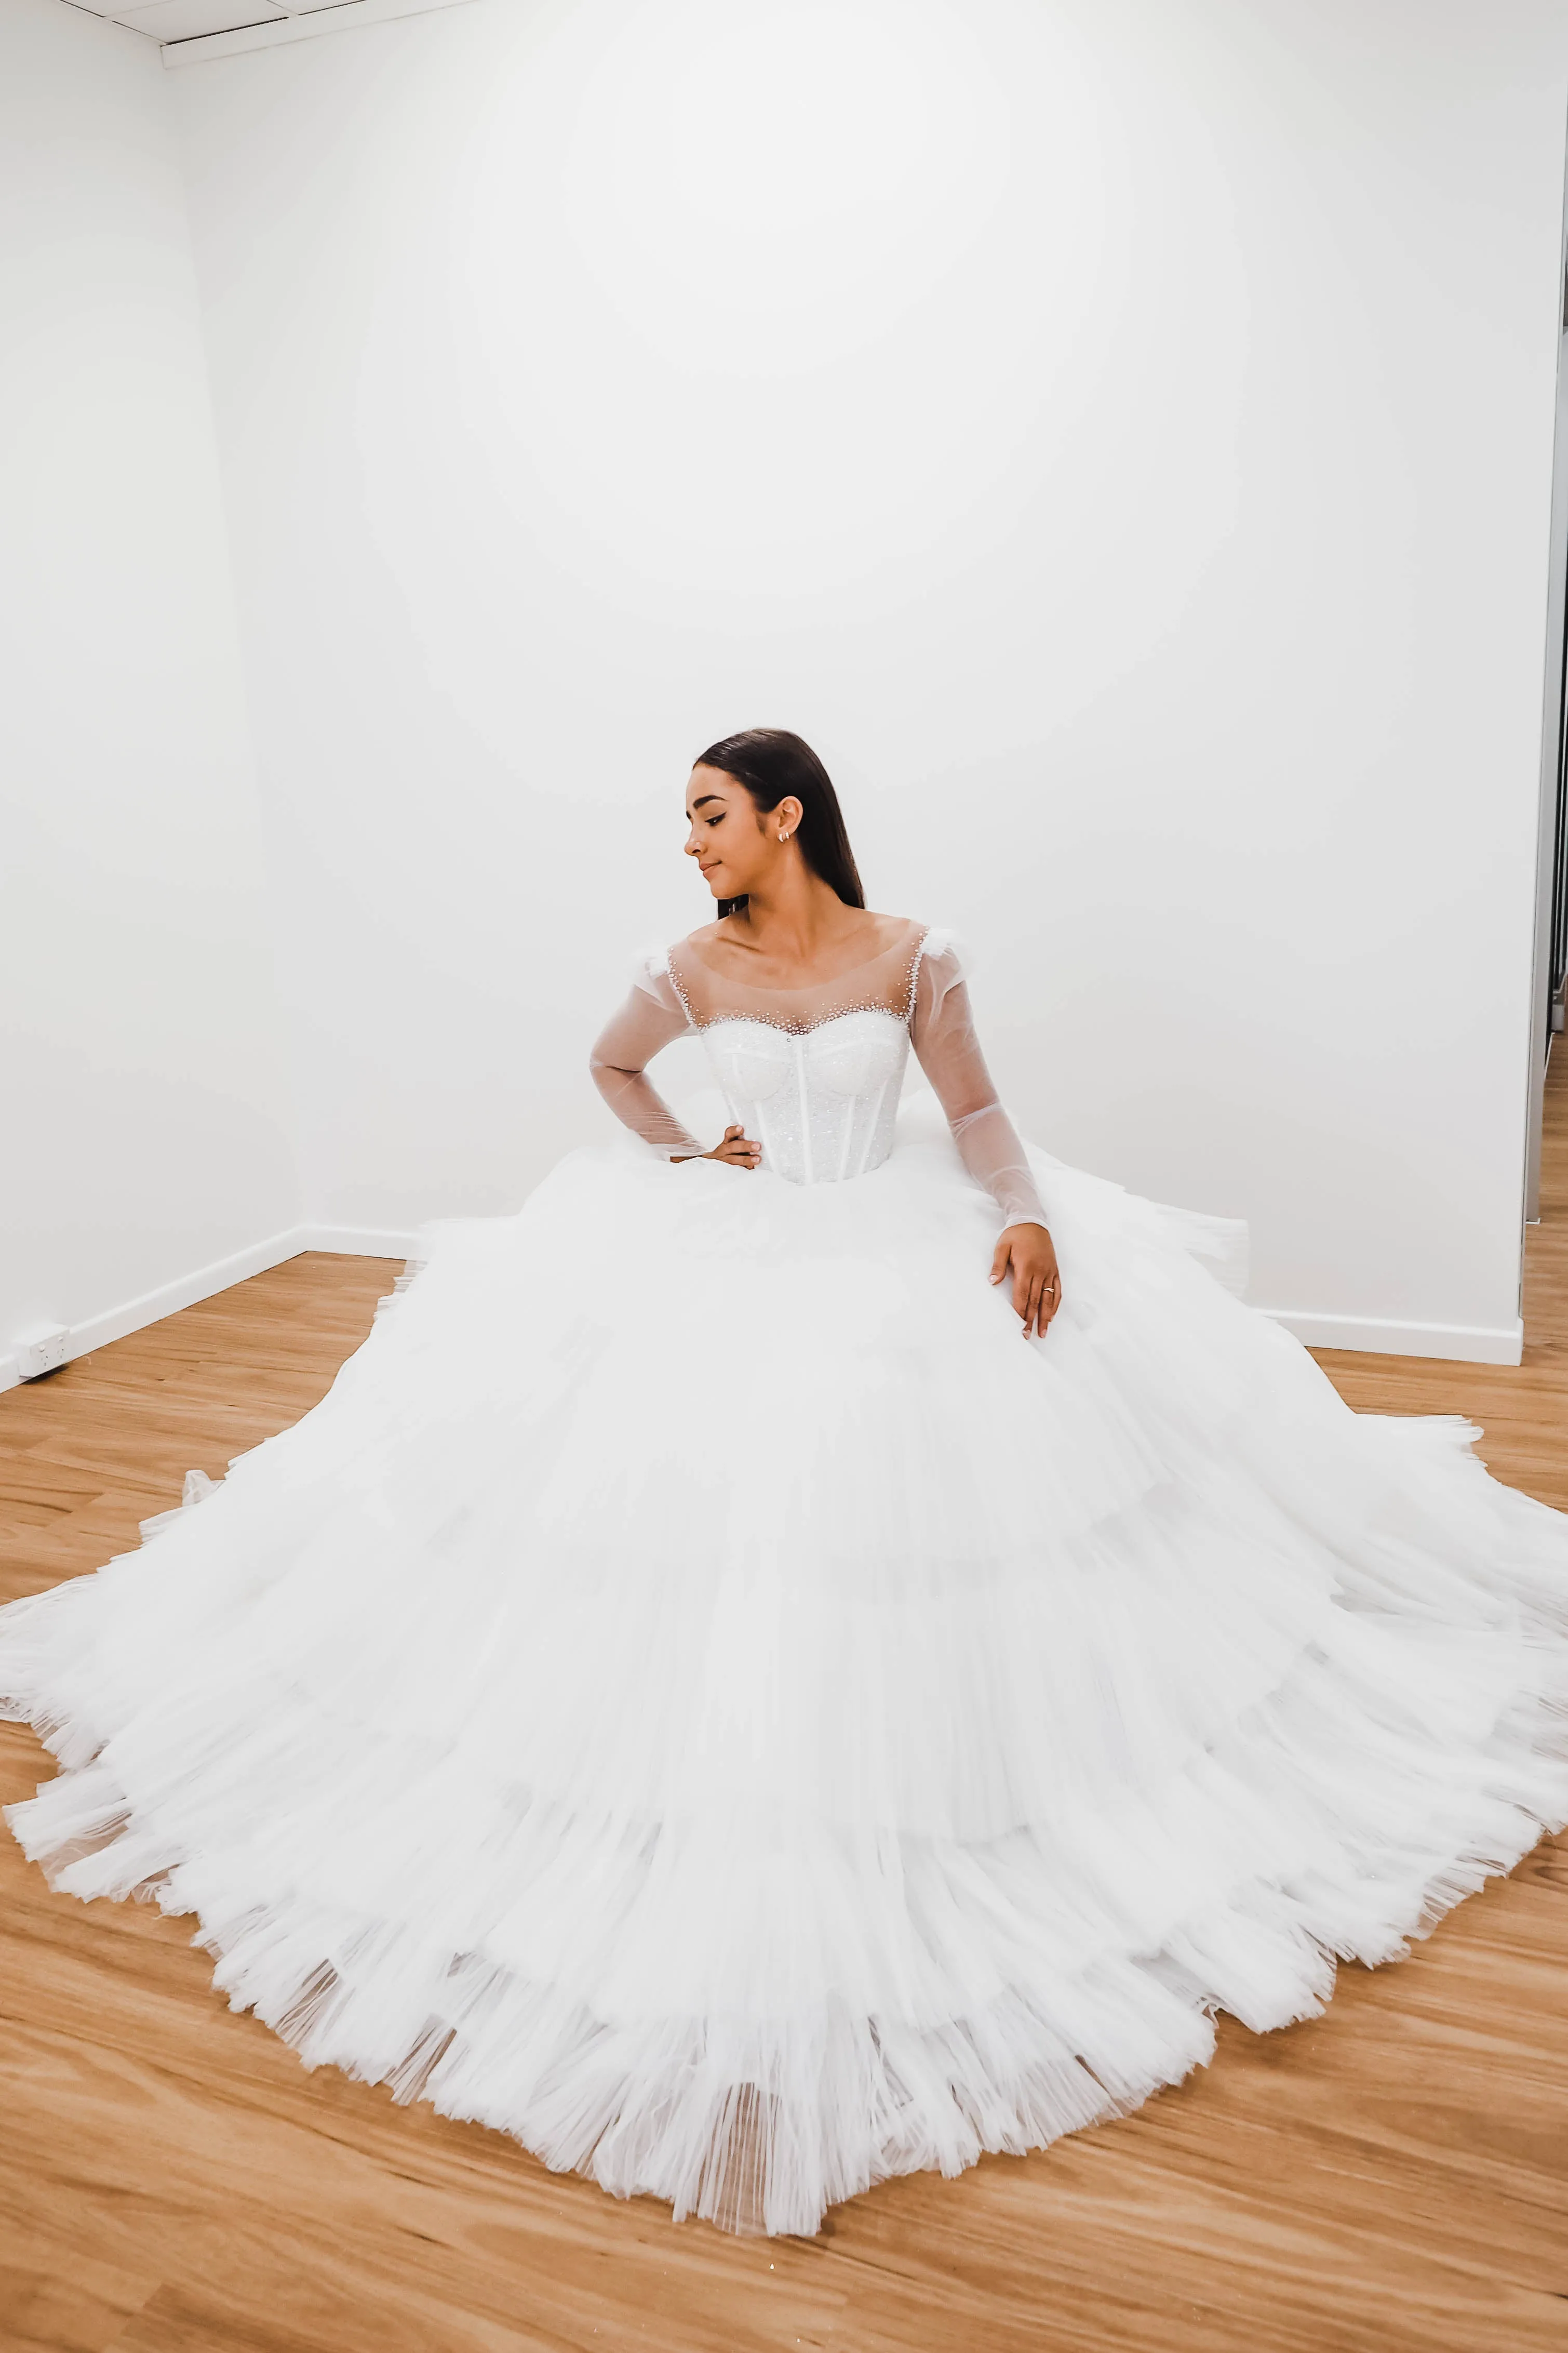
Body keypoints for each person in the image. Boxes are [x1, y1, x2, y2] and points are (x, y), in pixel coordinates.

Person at [2, 728, 1565, 2240]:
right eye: (686, 820)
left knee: (979, 1502)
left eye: (709, 814)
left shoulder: (913, 951)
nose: (690, 843)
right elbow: (610, 1067)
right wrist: (689, 1156)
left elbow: (973, 1111)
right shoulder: (688, 967)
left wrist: (1021, 1217)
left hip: (895, 1240)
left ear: (788, 816)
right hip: (734, 1254)